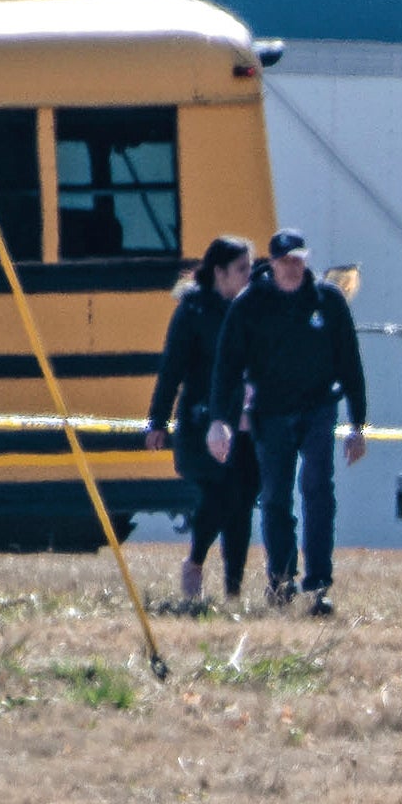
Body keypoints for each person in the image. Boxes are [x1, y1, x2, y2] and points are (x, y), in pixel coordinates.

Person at [207, 231, 368, 615]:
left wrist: (358, 423)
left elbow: (350, 363)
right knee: (276, 497)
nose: (293, 267)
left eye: (299, 260)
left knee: (317, 490)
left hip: (318, 409)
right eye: (285, 261)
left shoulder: (327, 301)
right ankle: (280, 582)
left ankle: (318, 585)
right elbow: (226, 367)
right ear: (273, 262)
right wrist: (220, 420)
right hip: (270, 413)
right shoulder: (250, 305)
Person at [146, 237, 260, 603]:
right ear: (219, 273)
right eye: (241, 268)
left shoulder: (251, 307)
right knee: (222, 494)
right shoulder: (193, 310)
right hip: (201, 423)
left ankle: (234, 590)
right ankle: (195, 561)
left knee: (243, 501)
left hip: (244, 423)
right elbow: (171, 369)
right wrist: (158, 420)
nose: (248, 275)